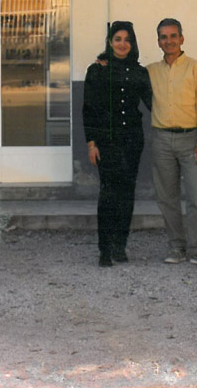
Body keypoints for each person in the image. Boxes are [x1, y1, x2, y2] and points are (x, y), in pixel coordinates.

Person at [147, 18, 197, 265]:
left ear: (182, 39)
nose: (169, 41)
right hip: (161, 140)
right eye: (163, 37)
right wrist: (103, 62)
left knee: (195, 196)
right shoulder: (150, 72)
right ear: (158, 41)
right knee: (166, 197)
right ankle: (176, 247)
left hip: (191, 141)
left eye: (173, 36)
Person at [82, 21, 152, 268]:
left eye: (127, 40)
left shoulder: (140, 72)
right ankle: (104, 248)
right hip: (106, 141)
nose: (123, 44)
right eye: (118, 39)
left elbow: (155, 103)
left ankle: (120, 245)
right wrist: (92, 144)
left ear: (132, 44)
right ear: (110, 43)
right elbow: (89, 109)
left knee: (127, 193)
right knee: (108, 193)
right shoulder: (97, 70)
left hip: (132, 140)